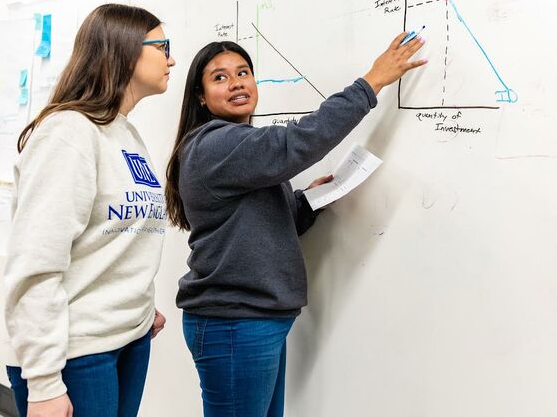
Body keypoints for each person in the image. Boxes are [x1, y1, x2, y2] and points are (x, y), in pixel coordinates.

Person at [164, 33, 425, 416]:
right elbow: (297, 142)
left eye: (243, 72)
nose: (237, 82)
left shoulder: (236, 147)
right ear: (200, 97)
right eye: (220, 77)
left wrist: (306, 201)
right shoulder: (216, 144)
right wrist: (372, 81)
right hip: (235, 323)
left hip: (255, 320)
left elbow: (258, 226)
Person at [4, 3, 175, 417]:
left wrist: (136, 303)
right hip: (75, 351)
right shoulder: (69, 133)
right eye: (162, 45)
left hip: (128, 337)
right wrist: (44, 383)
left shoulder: (125, 132)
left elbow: (119, 235)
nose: (172, 58)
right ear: (125, 50)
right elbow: (35, 264)